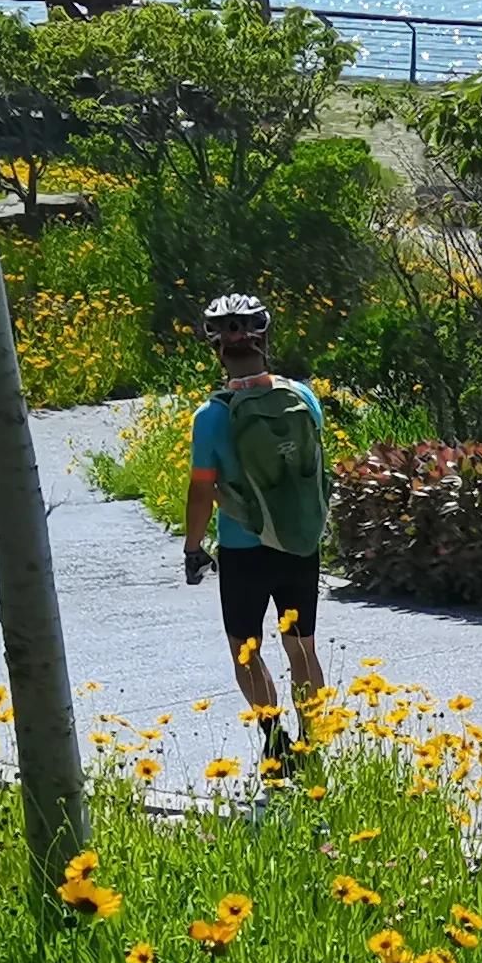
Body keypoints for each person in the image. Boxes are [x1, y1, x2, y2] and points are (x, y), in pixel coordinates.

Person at [181, 292, 333, 768]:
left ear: (217, 351)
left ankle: (275, 741)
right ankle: (313, 741)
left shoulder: (211, 417)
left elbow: (202, 490)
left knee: (245, 649)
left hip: (244, 546)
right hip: (297, 542)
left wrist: (192, 547)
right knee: (302, 647)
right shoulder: (302, 397)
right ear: (265, 339)